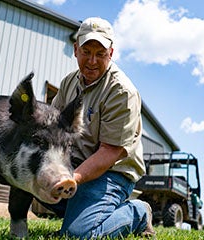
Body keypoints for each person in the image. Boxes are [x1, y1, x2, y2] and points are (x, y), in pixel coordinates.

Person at [48, 17, 155, 239]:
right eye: (86, 51)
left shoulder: (121, 92)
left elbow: (110, 152)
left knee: (80, 235)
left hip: (112, 173)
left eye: (100, 54)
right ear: (76, 49)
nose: (92, 61)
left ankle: (138, 212)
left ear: (111, 53)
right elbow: (53, 126)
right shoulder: (70, 82)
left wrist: (72, 178)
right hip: (79, 164)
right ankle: (83, 210)